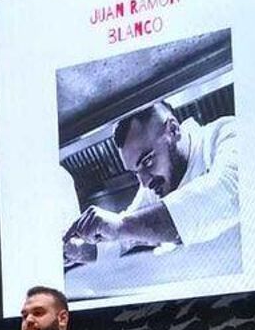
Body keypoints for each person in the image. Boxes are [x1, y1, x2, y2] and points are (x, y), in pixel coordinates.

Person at [64, 100, 238, 263]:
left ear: (173, 130)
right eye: (135, 172)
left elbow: (224, 191)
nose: (145, 182)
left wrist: (121, 225)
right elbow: (123, 238)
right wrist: (75, 250)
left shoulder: (227, 133)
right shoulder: (154, 187)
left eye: (147, 161)